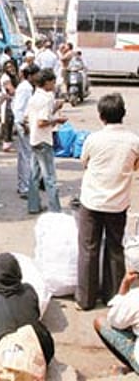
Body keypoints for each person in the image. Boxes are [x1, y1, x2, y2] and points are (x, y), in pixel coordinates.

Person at [75, 93, 139, 310]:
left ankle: (85, 299)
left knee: (88, 249)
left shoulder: (93, 139)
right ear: (123, 114)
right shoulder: (133, 141)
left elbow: (85, 162)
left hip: (92, 201)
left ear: (101, 116)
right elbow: (135, 166)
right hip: (117, 203)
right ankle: (114, 296)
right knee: (114, 248)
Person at [25, 68, 67, 214]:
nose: (54, 85)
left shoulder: (34, 97)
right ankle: (55, 209)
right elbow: (42, 122)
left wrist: (54, 109)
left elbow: (28, 118)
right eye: (53, 82)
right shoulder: (46, 98)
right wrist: (57, 120)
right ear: (47, 82)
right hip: (43, 140)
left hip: (34, 139)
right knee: (49, 177)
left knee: (34, 175)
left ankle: (33, 205)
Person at [93, 270, 139, 375]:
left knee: (100, 322)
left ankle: (132, 367)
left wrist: (124, 286)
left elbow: (114, 320)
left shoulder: (136, 297)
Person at [12, 64, 40, 199]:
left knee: (26, 155)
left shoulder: (27, 87)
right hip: (23, 124)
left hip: (24, 122)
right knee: (26, 156)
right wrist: (23, 123)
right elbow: (19, 108)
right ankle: (24, 187)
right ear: (31, 75)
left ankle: (24, 185)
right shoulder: (25, 88)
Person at [0, 60, 19, 152]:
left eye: (12, 66)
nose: (10, 68)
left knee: (10, 122)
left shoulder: (14, 76)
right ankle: (6, 143)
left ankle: (7, 142)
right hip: (8, 102)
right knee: (7, 122)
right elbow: (11, 90)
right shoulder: (5, 77)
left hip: (13, 101)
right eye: (8, 67)